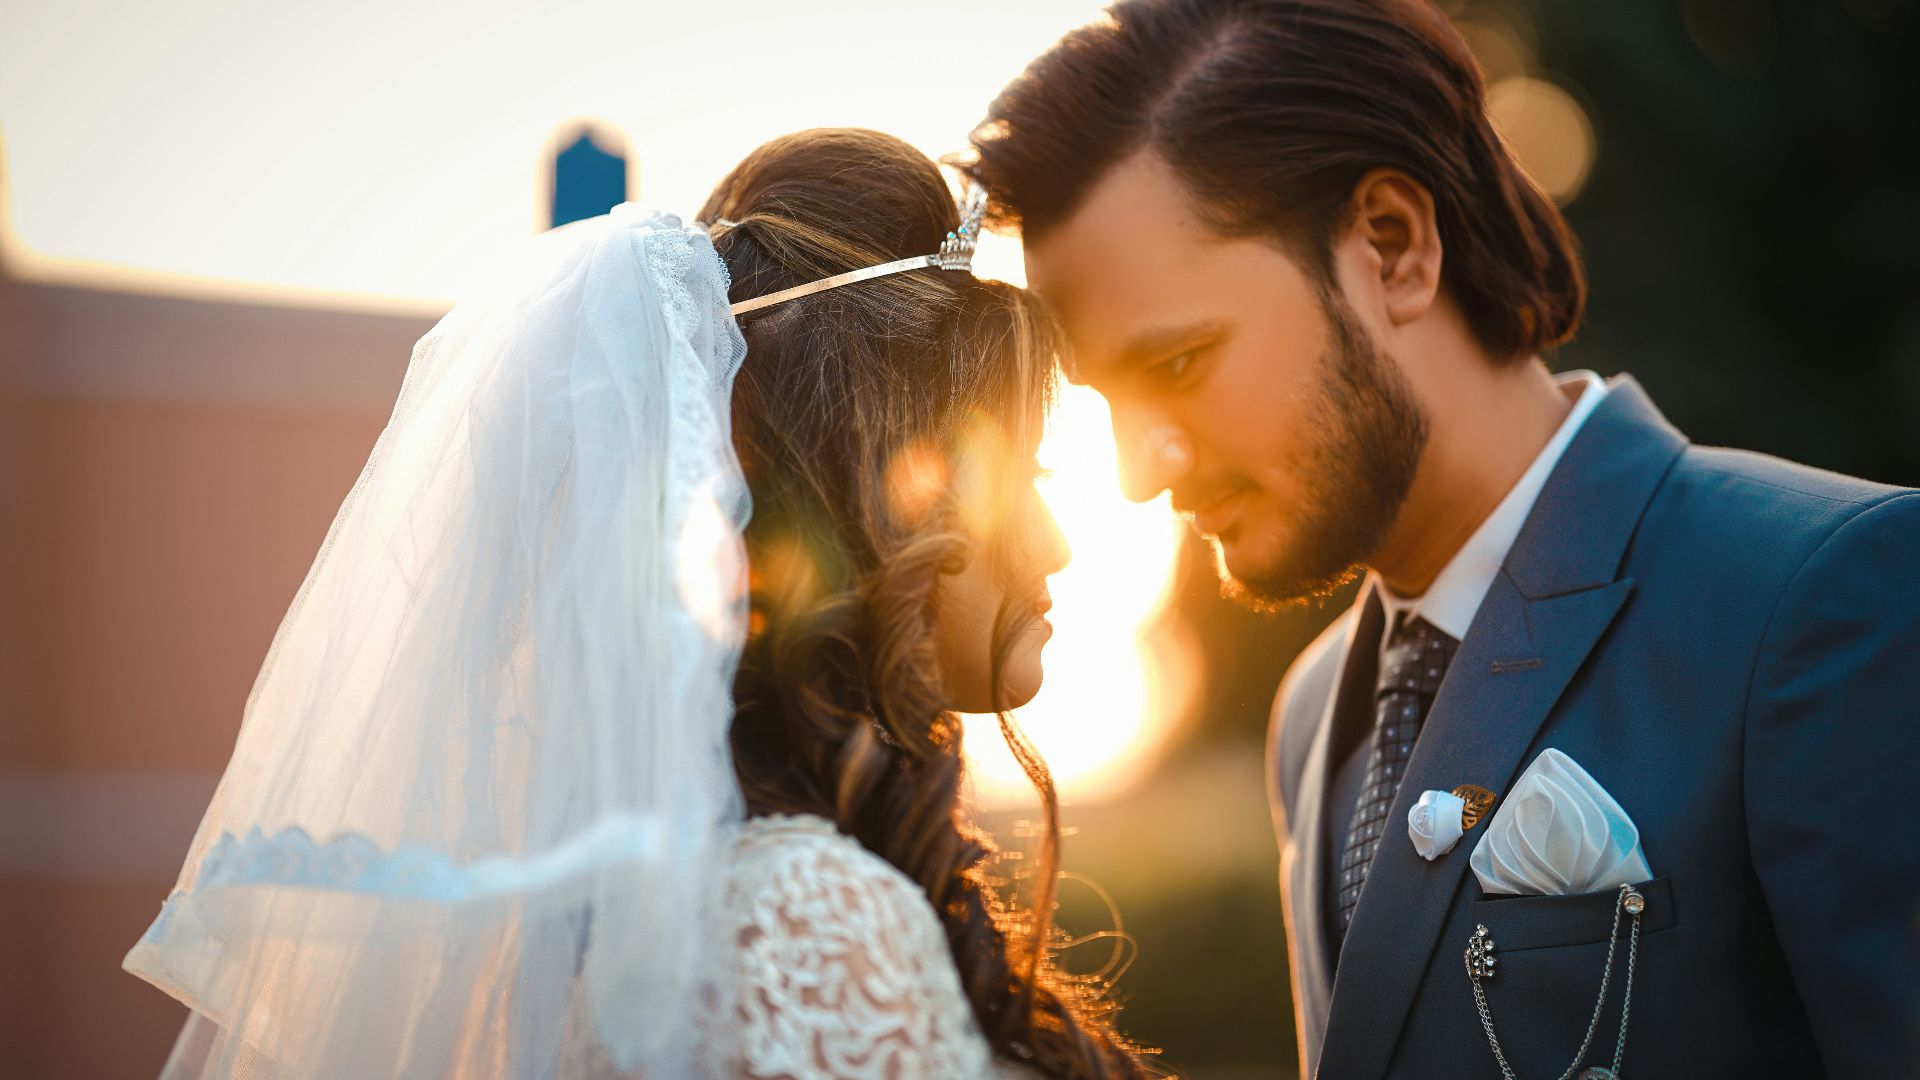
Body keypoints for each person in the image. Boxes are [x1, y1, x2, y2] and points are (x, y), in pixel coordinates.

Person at [963, 1, 1920, 1077]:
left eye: (1178, 365)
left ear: (1394, 248)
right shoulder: (1314, 712)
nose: (1141, 473)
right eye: (1107, 404)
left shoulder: (1826, 598)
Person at [124, 128, 1152, 1079]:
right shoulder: (807, 926)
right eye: (1028, 478)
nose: (1055, 546)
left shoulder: (692, 915)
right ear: (875, 493)